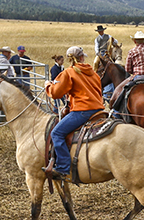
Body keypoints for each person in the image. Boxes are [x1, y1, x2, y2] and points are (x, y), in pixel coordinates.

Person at [43, 46, 105, 182]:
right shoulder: (93, 73)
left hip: (82, 111)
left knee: (56, 133)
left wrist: (48, 85)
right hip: (99, 110)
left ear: (69, 59)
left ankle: (63, 168)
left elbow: (55, 93)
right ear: (82, 57)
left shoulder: (69, 73)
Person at [94, 26, 115, 102]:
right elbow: (96, 47)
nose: (101, 32)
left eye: (101, 31)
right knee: (95, 62)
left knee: (113, 62)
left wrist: (113, 41)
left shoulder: (108, 36)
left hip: (107, 53)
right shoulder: (97, 39)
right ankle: (95, 72)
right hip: (100, 53)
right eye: (99, 31)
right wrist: (97, 53)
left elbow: (115, 41)